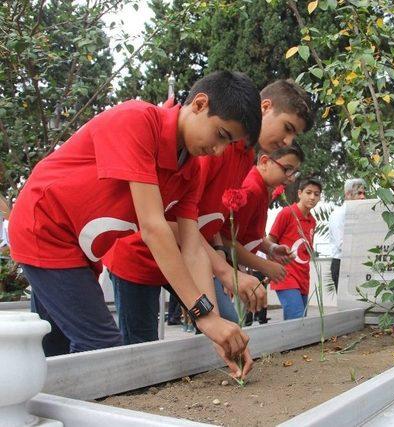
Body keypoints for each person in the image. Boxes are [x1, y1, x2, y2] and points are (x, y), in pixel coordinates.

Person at [8, 71, 260, 366]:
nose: (218, 151)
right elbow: (154, 228)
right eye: (221, 135)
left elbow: (193, 249)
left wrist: (215, 324)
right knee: (101, 347)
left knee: (54, 345)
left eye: (228, 144)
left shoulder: (189, 170)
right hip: (44, 229)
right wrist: (204, 317)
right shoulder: (137, 121)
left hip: (80, 249)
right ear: (200, 104)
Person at [102, 79, 313, 376]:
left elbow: (202, 221)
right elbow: (167, 223)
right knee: (138, 360)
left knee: (223, 323)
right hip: (140, 256)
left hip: (188, 256)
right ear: (265, 108)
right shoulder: (210, 145)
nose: (288, 141)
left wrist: (218, 271)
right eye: (288, 128)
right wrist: (226, 272)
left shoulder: (238, 156)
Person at [220, 145, 304, 325]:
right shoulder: (251, 189)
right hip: (218, 264)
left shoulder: (261, 188)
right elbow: (225, 239)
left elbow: (249, 234)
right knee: (228, 321)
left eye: (294, 172)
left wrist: (271, 248)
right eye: (287, 169)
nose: (290, 178)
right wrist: (265, 265)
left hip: (231, 266)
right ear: (264, 161)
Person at [268, 177, 322, 320]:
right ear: (299, 193)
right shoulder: (287, 213)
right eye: (308, 192)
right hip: (286, 275)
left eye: (316, 194)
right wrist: (269, 268)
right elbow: (270, 241)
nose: (312, 197)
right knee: (296, 317)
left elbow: (306, 251)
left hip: (303, 276)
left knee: (302, 321)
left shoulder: (312, 221)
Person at [327, 178, 366, 290]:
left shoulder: (360, 215)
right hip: (342, 264)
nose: (363, 197)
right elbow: (341, 245)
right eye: (359, 193)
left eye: (364, 193)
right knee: (347, 306)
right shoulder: (338, 215)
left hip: (358, 263)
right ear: (348, 194)